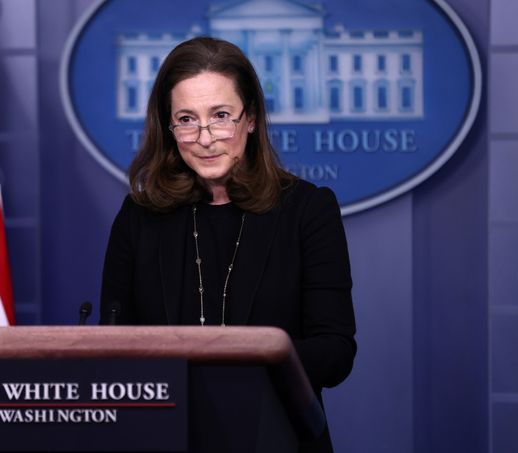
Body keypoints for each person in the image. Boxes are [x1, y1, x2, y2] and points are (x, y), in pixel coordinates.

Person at [100, 36, 356, 452]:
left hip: (275, 437)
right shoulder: (138, 217)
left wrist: (240, 367)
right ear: (168, 127)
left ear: (250, 118)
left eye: (220, 115)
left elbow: (336, 350)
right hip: (161, 437)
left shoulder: (307, 210)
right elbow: (114, 345)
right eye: (186, 119)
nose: (205, 137)